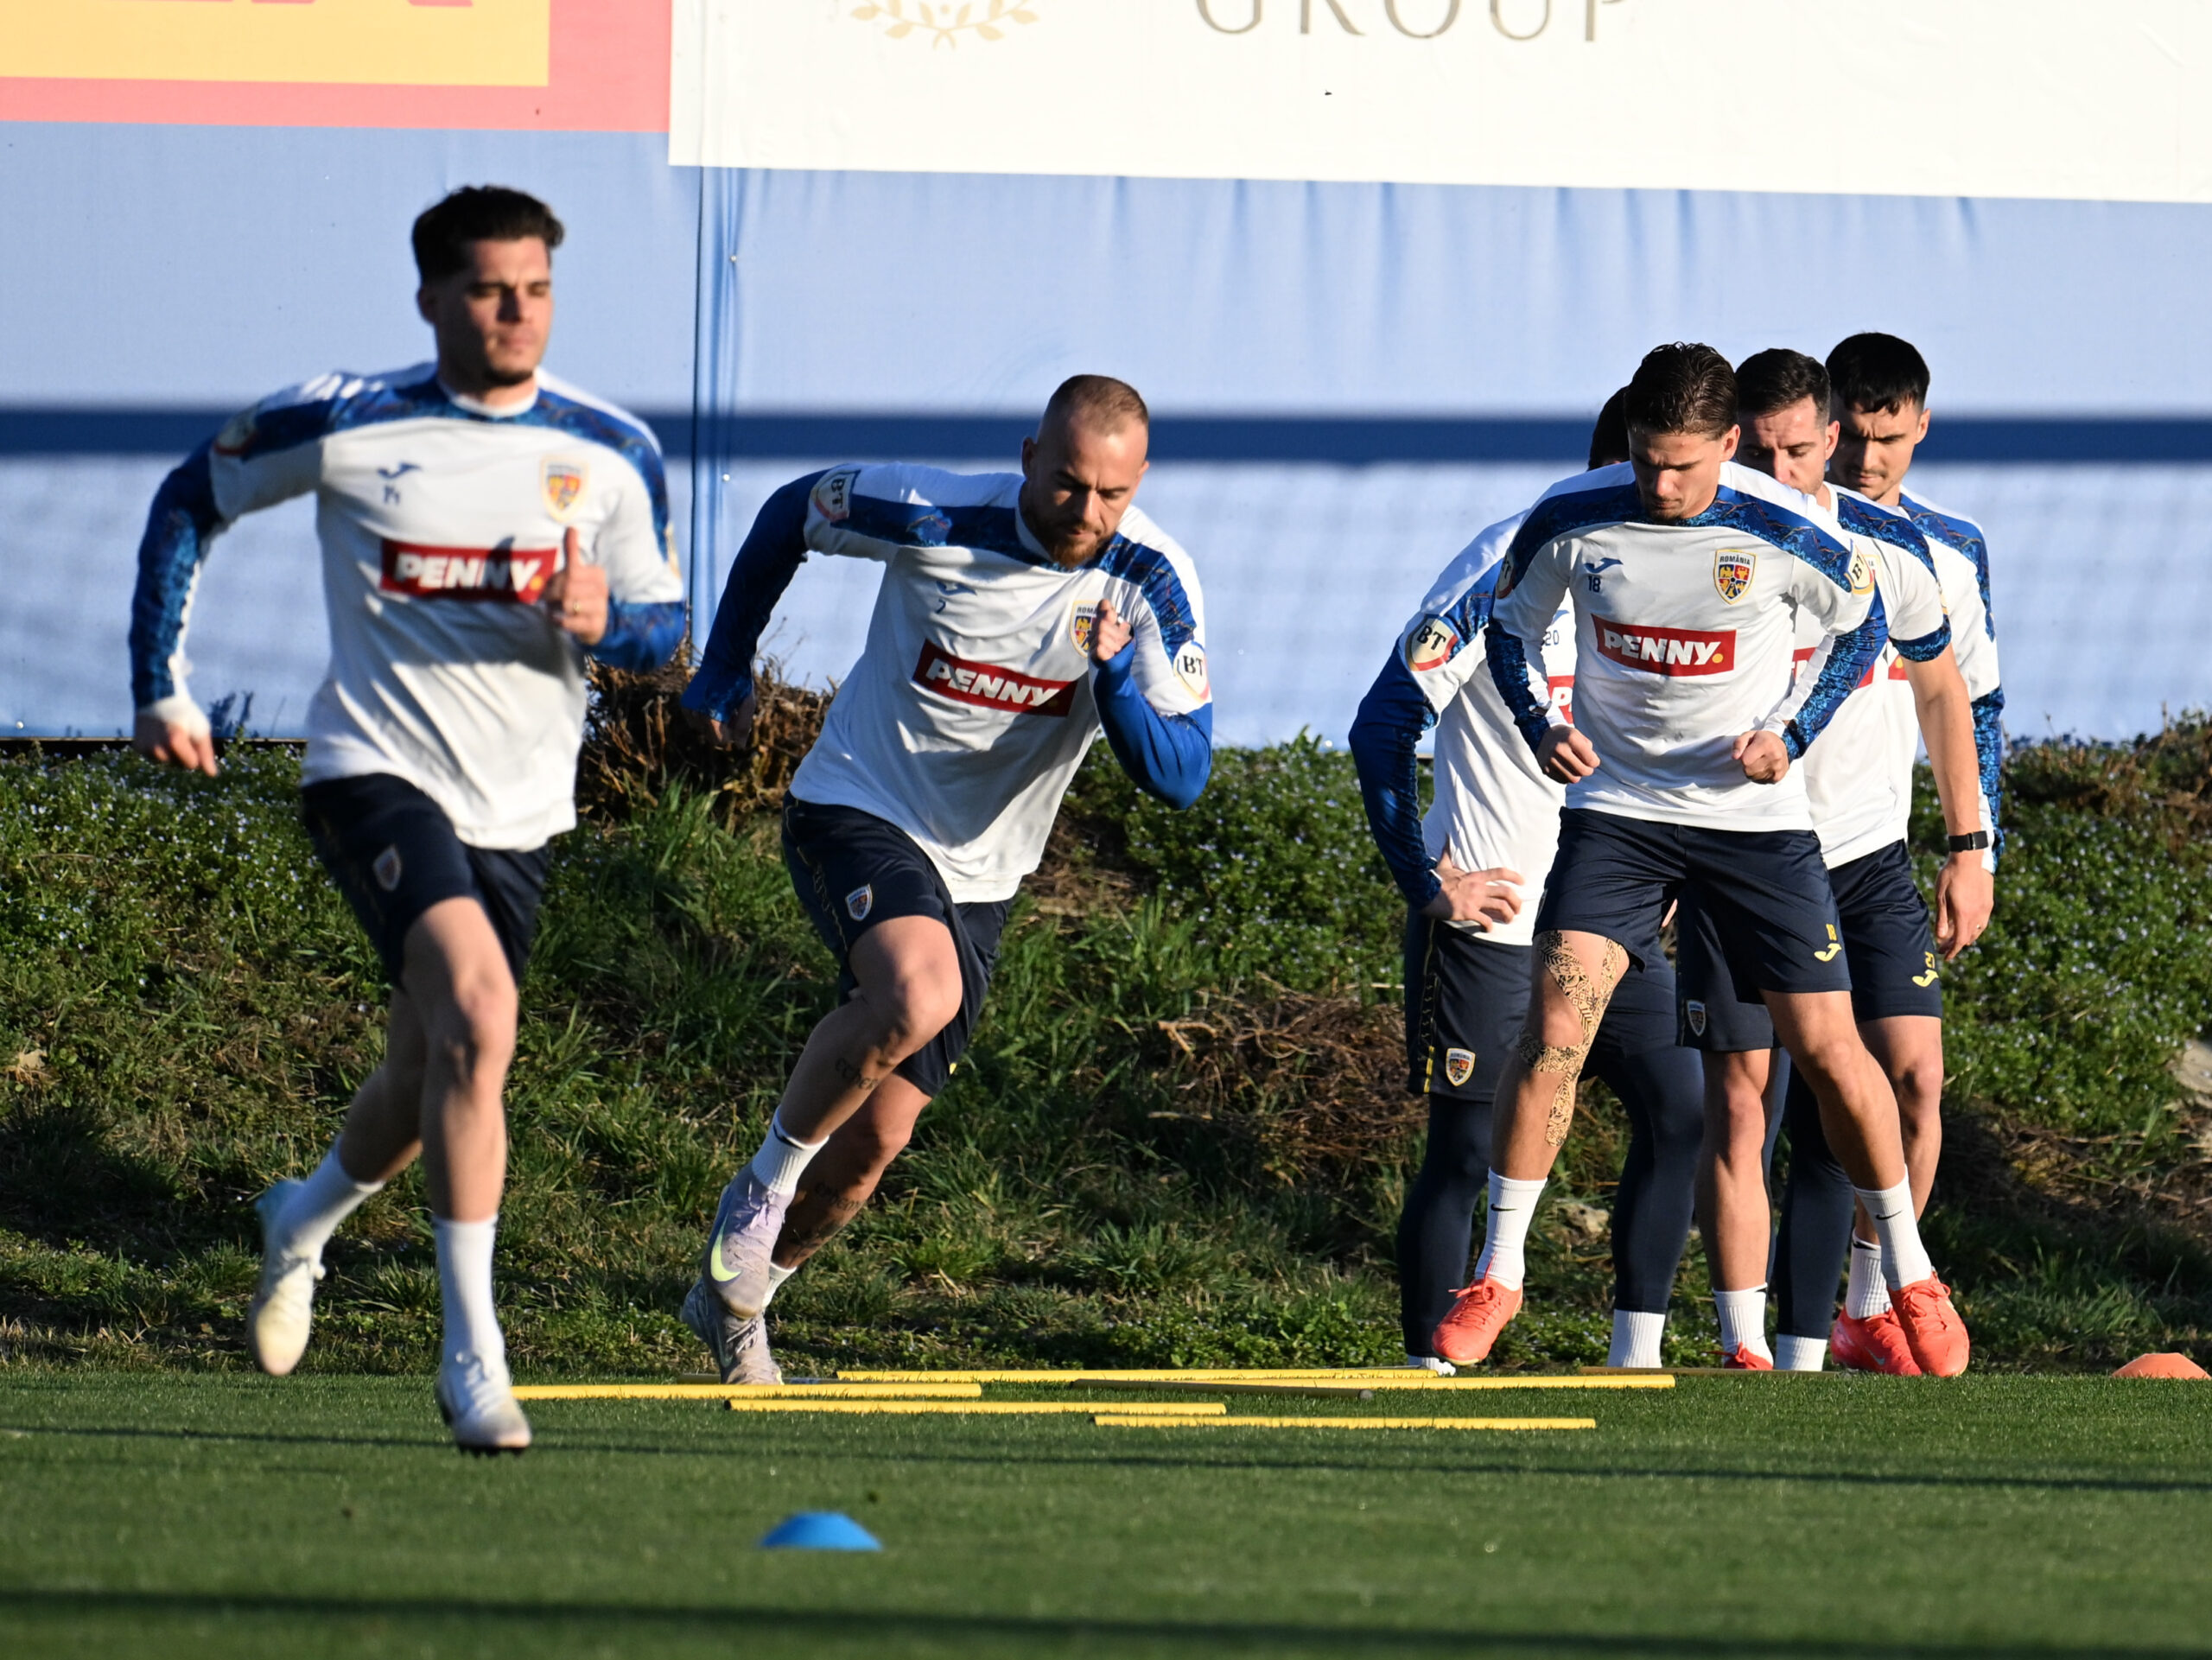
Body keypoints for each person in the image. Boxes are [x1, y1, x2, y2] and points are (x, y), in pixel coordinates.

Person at [127, 186, 687, 1452]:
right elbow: (189, 498)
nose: (516, 313)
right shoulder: (347, 420)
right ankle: (473, 1356)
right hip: (372, 771)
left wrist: (610, 624)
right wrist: (159, 684)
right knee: (480, 1021)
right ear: (431, 296)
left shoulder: (609, 450)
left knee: (427, 1065)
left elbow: (665, 630)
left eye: (536, 290)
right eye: (489, 290)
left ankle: (301, 1221)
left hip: (523, 807)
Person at [1433, 340, 1970, 1378]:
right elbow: (1509, 630)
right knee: (1556, 1023)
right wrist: (1542, 725)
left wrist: (1791, 731)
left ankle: (1909, 1272)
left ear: (1728, 444)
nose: (1662, 485)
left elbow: (1864, 631)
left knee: (1829, 1049)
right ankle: (1498, 1273)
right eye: (1646, 461)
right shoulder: (1570, 516)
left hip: (1753, 822)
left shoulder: (1785, 526)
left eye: (1683, 465)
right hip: (1618, 813)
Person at [676, 376, 1211, 1384]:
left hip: (983, 875)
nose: (1085, 511)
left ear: (1139, 484)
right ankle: (757, 1193)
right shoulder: (931, 512)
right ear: (1028, 458)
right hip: (857, 805)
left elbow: (1182, 775)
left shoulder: (1151, 578)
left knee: (871, 1150)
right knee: (918, 993)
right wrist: (726, 664)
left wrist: (1111, 682)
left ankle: (736, 1301)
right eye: (1067, 483)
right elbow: (793, 509)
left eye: (1111, 493)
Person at [1350, 388, 1705, 1375]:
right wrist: (1427, 882)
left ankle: (1635, 1357)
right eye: (1651, 473)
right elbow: (1382, 725)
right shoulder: (1507, 558)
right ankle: (1430, 1373)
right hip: (1493, 929)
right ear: (1612, 468)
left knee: (1683, 1111)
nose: (1671, 496)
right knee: (1466, 1153)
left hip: (1609, 919)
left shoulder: (1686, 576)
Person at [1673, 348, 1993, 1370]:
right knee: (1744, 1104)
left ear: (1827, 439)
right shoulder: (1705, 548)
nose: (1784, 473)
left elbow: (1951, 695)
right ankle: (1745, 1347)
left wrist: (1970, 844)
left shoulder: (1899, 553)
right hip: (1745, 857)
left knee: (1911, 1082)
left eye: (1801, 452)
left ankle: (1866, 1305)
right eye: (1761, 456)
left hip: (1865, 857)